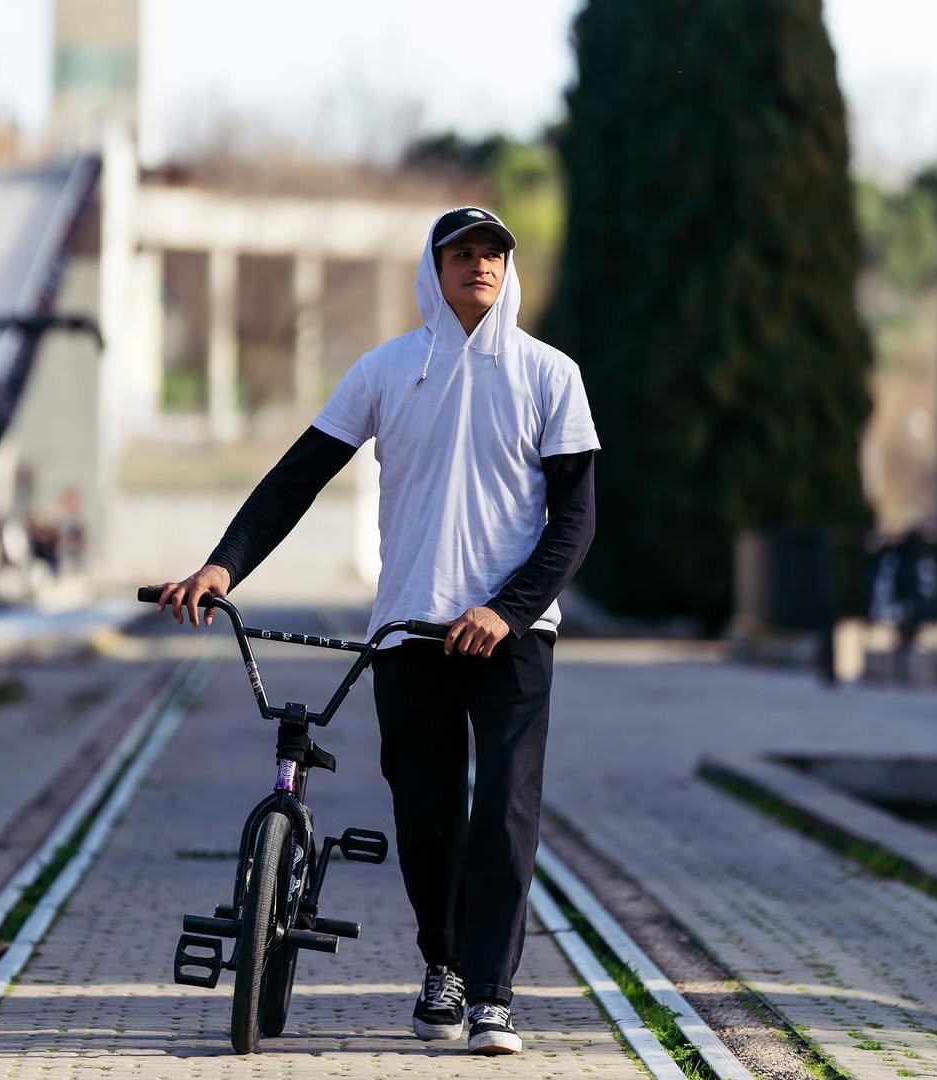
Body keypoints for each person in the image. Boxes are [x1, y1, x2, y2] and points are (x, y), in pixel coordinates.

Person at [154, 206, 600, 1055]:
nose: (480, 265)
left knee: (504, 809)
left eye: (493, 253)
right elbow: (298, 477)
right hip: (408, 630)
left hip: (513, 637)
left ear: (508, 269)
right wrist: (223, 566)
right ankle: (445, 966)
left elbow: (575, 522)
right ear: (434, 267)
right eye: (462, 252)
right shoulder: (387, 370)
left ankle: (493, 996)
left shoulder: (552, 375)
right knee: (426, 815)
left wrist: (506, 611)